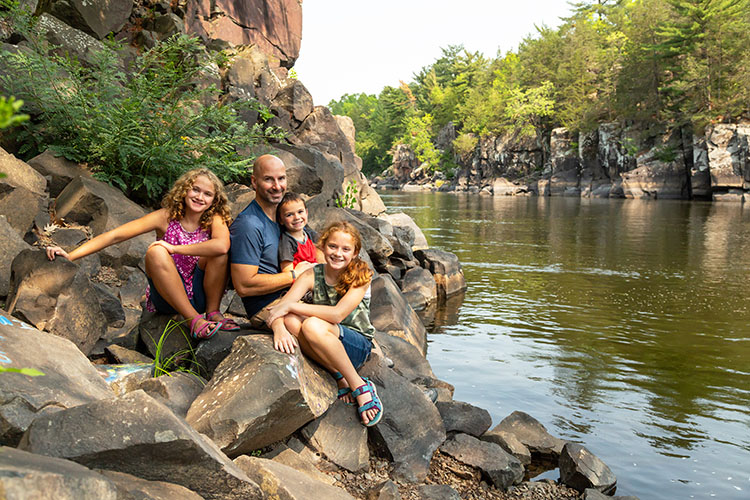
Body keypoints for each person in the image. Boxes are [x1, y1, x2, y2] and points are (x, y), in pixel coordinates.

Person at [46, 168, 236, 339]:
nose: (200, 197)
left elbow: (221, 247)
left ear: (214, 200)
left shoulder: (214, 219)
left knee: (218, 254)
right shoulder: (165, 217)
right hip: (168, 297)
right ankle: (194, 320)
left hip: (200, 294)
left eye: (207, 194)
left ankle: (213, 313)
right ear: (185, 190)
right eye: (195, 189)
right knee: (156, 252)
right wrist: (70, 255)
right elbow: (114, 236)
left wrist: (175, 248)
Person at [265, 221, 384, 427]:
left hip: (356, 344)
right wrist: (278, 328)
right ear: (322, 246)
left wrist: (293, 306)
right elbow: (278, 310)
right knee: (291, 322)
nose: (338, 253)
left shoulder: (361, 275)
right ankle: (339, 374)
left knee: (309, 324)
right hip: (324, 340)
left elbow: (337, 315)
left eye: (346, 249)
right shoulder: (312, 274)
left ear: (355, 253)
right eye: (333, 247)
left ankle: (359, 385)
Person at [229, 155, 313, 333]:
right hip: (267, 306)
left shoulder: (285, 215)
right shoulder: (249, 225)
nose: (277, 186)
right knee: (314, 329)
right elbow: (243, 285)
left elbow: (315, 245)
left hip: (295, 296)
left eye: (281, 178)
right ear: (254, 182)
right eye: (268, 179)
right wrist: (294, 275)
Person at [276, 191, 324, 281]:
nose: (297, 217)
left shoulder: (309, 235)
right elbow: (287, 272)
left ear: (306, 212)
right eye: (289, 215)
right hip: (302, 285)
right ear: (281, 220)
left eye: (300, 212)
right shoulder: (287, 242)